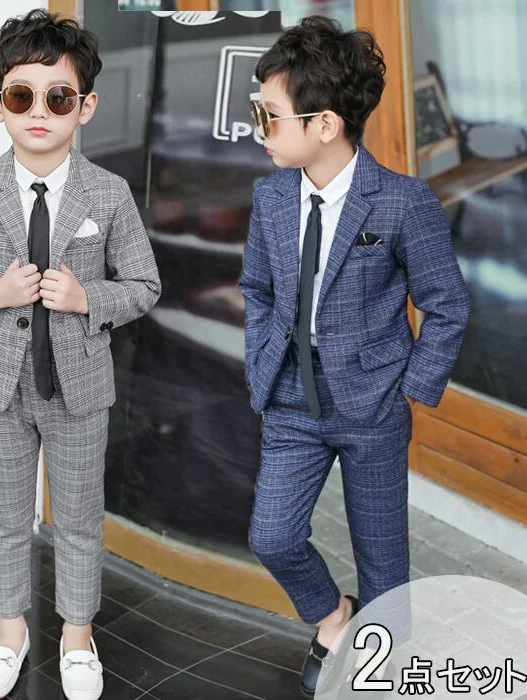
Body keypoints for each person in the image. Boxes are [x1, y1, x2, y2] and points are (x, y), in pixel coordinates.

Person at [0, 10, 160, 699]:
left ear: (85, 106)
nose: (38, 112)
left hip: (80, 390)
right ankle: (10, 631)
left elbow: (143, 285)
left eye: (58, 98)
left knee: (80, 519)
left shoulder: (108, 194)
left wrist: (89, 298)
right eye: (21, 95)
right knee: (4, 519)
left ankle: (78, 638)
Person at [238, 15, 470, 698]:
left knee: (383, 559)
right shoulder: (271, 197)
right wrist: (261, 360)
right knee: (273, 537)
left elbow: (447, 304)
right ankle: (333, 616)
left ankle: (381, 666)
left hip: (373, 406)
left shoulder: (402, 202)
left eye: (270, 115)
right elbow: (257, 289)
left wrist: (412, 387)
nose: (259, 128)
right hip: (291, 399)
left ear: (325, 125)